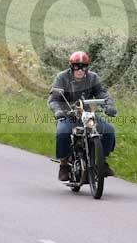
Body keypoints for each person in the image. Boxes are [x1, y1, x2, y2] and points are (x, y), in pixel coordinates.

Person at [47, 51, 117, 181]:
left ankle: (102, 162)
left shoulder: (93, 78)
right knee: (62, 132)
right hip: (68, 115)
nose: (80, 70)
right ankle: (63, 165)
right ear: (71, 66)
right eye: (76, 66)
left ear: (87, 68)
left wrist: (109, 106)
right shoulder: (62, 77)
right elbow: (53, 99)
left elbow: (102, 93)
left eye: (83, 67)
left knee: (108, 130)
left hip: (88, 115)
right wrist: (58, 111)